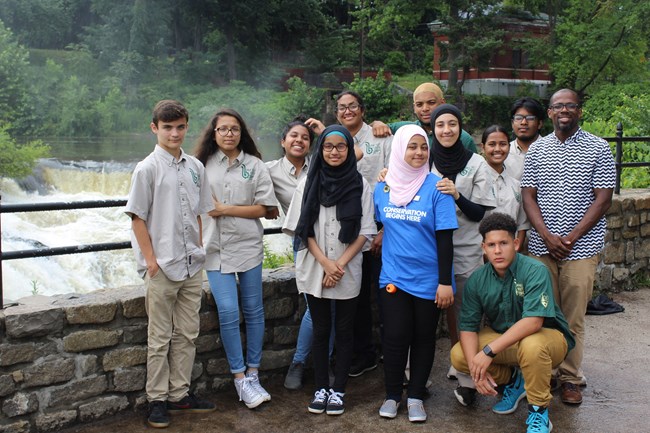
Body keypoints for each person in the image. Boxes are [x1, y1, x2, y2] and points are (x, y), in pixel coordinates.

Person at [521, 89, 616, 405]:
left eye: (570, 106)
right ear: (549, 113)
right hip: (541, 246)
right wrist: (546, 235)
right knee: (543, 314)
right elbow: (528, 196)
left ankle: (571, 378)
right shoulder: (537, 149)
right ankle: (545, 373)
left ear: (579, 111)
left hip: (582, 247)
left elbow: (603, 199)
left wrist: (572, 236)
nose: (564, 110)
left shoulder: (599, 148)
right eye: (558, 106)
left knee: (573, 316)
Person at [125, 100, 216, 428]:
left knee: (187, 333)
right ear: (155, 128)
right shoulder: (146, 169)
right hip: (162, 266)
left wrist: (200, 248)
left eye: (179, 127)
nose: (174, 133)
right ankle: (157, 400)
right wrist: (151, 262)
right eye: (167, 127)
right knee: (160, 336)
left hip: (192, 263)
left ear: (186, 127)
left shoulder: (196, 167)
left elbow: (198, 213)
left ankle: (179, 394)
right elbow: (137, 219)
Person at [450, 213, 574, 433]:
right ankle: (515, 381)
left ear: (516, 244)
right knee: (460, 355)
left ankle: (539, 412)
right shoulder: (478, 279)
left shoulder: (534, 270)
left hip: (547, 339)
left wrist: (487, 352)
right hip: (505, 340)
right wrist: (475, 369)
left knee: (532, 346)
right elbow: (468, 326)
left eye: (503, 243)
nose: (497, 250)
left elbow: (534, 322)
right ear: (483, 248)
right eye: (491, 245)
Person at [283, 125, 377, 416]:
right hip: (316, 265)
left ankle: (338, 390)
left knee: (345, 330)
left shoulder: (361, 184)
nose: (334, 152)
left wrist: (339, 265)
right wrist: (326, 263)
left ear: (349, 150)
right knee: (322, 329)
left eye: (341, 147)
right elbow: (303, 228)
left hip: (347, 266)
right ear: (320, 150)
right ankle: (321, 387)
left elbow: (365, 231)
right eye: (328, 147)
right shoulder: (307, 183)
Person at [374, 125, 458, 422]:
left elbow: (446, 239)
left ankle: (416, 397)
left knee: (423, 338)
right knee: (394, 338)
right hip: (394, 277)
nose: (419, 153)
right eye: (411, 147)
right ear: (399, 150)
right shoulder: (382, 187)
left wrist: (445, 282)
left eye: (423, 147)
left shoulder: (438, 188)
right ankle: (393, 395)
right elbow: (379, 224)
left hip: (429, 280)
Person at [195, 108, 277, 409]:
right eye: (223, 129)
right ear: (213, 133)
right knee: (229, 312)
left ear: (241, 133)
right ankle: (240, 378)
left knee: (254, 310)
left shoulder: (254, 165)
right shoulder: (200, 165)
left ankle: (254, 373)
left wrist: (224, 209)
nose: (229, 134)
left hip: (247, 245)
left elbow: (264, 208)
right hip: (213, 249)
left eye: (234, 129)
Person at [307, 91, 391, 377]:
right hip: (335, 239)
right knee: (342, 309)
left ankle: (365, 353)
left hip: (371, 231)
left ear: (363, 109)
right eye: (341, 108)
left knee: (366, 299)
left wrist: (382, 230)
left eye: (352, 106)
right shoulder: (331, 149)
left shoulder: (381, 136)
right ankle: (349, 356)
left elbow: (397, 174)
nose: (347, 111)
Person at [429, 104, 495, 366]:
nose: (447, 130)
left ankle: (465, 367)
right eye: (441, 125)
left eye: (452, 124)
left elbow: (480, 213)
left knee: (466, 313)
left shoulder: (476, 162)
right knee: (426, 314)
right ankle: (419, 371)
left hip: (466, 248)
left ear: (460, 127)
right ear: (433, 129)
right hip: (429, 250)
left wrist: (457, 194)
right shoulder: (423, 159)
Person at [265, 117, 329, 390]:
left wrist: (324, 131)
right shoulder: (269, 170)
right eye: (293, 136)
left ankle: (325, 365)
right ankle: (300, 362)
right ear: (282, 141)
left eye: (305, 137)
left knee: (335, 306)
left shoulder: (321, 163)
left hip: (333, 238)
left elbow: (353, 151)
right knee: (315, 306)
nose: (299, 141)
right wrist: (266, 205)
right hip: (304, 241)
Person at [371, 82, 478, 153]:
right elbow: (376, 128)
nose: (425, 108)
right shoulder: (405, 129)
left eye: (431, 103)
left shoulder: (463, 139)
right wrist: (377, 124)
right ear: (414, 108)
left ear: (442, 103)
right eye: (419, 104)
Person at [480, 125, 529, 246]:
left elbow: (522, 223)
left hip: (512, 252)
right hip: (481, 253)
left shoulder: (516, 185)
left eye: (502, 144)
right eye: (492, 144)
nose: (497, 149)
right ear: (483, 147)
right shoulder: (477, 181)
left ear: (509, 146)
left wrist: (516, 250)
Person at [505, 97, 546, 180]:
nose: (523, 122)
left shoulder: (551, 151)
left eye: (530, 118)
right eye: (518, 118)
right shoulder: (505, 152)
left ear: (540, 124)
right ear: (512, 123)